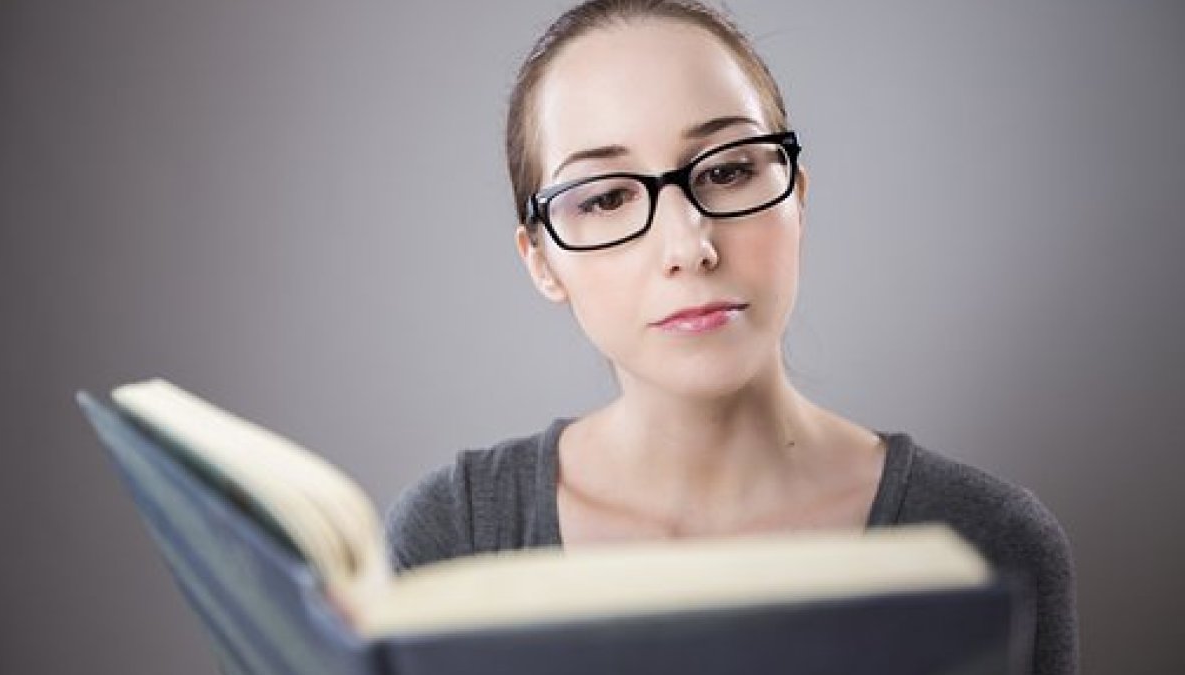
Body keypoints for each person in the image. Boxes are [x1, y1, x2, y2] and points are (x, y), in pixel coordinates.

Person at [386, 1, 1077, 673]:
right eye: (605, 197)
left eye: (726, 171)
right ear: (540, 260)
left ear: (797, 197)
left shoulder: (988, 543)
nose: (689, 247)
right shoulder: (454, 538)